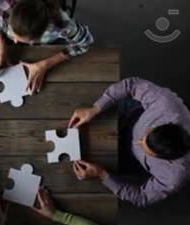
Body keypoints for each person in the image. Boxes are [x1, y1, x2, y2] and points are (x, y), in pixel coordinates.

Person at [69, 78, 190, 207]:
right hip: (128, 117)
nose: (139, 142)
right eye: (146, 136)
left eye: (146, 149)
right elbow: (131, 85)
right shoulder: (168, 106)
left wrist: (102, 175)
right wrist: (96, 108)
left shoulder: (174, 176)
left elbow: (142, 197)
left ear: (166, 159)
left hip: (130, 160)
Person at [0, 0, 93, 93]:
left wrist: (45, 64)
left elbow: (85, 42)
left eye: (23, 40)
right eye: (13, 32)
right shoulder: (0, 3)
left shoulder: (61, 24)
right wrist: (0, 44)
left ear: (42, 34)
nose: (14, 41)